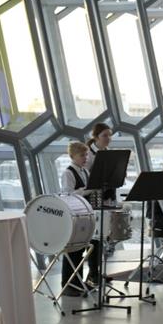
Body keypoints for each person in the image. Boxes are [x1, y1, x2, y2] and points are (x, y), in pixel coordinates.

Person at [60, 141, 101, 295]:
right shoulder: (68, 173)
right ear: (72, 156)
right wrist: (87, 190)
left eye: (86, 155)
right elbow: (67, 195)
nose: (85, 158)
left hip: (85, 214)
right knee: (73, 250)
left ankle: (78, 281)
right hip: (74, 215)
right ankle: (67, 284)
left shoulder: (84, 172)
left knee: (82, 248)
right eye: (82, 155)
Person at [85, 122, 116, 203]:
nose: (108, 138)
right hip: (94, 196)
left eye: (110, 135)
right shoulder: (88, 153)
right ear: (96, 137)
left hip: (109, 194)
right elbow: (84, 175)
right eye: (105, 135)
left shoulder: (109, 152)